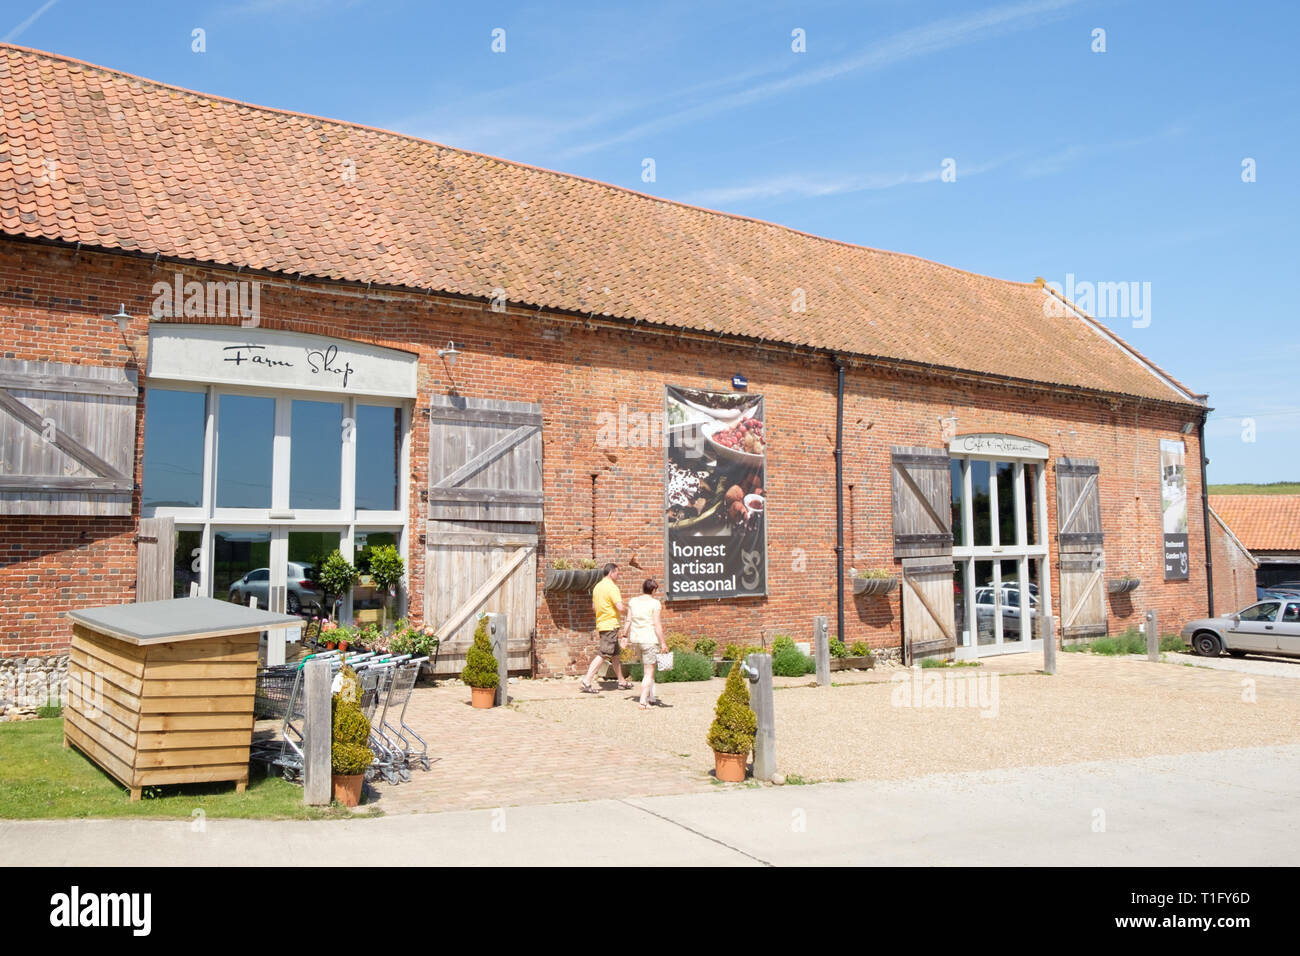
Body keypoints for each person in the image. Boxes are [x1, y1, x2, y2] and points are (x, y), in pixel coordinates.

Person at [580, 562, 631, 693]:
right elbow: (620, 607)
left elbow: (594, 607)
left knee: (615, 655)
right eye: (617, 573)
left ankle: (621, 681)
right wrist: (629, 612)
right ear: (611, 573)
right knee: (604, 654)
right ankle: (586, 681)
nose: (618, 576)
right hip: (610, 625)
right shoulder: (612, 587)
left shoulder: (597, 587)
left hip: (602, 623)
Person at [621, 578, 667, 710]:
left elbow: (628, 620)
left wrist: (624, 636)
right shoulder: (655, 603)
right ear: (653, 590)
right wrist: (663, 642)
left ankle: (651, 696)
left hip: (636, 640)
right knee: (649, 672)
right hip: (649, 640)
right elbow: (657, 624)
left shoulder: (633, 601)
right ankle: (643, 701)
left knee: (648, 670)